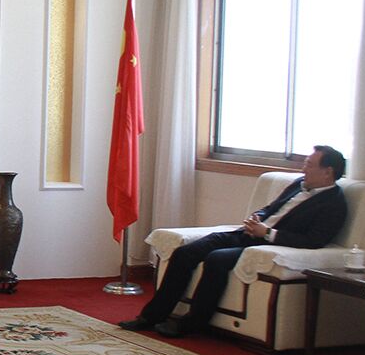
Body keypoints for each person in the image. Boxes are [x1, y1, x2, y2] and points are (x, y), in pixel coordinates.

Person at [120, 145, 349, 338]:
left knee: (217, 259)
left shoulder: (334, 203)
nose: (303, 169)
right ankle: (151, 316)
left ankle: (192, 323)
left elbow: (313, 240)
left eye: (309, 165)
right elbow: (272, 208)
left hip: (268, 245)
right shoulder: (298, 184)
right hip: (248, 233)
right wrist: (257, 216)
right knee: (185, 253)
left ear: (327, 172)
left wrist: (268, 233)